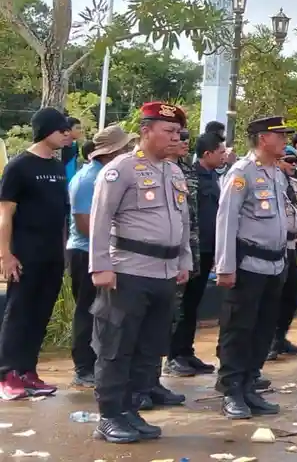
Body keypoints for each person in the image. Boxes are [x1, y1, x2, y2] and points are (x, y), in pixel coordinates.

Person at [88, 102, 192, 444]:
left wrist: (184, 260)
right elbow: (100, 220)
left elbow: (182, 221)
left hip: (164, 272)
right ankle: (110, 415)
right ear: (146, 130)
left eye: (178, 132)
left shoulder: (173, 172)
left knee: (150, 347)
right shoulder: (121, 169)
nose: (175, 138)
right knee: (117, 346)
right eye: (168, 131)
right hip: (128, 271)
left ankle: (131, 409)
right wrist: (100, 266)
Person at [214, 116, 294, 420]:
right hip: (247, 265)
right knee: (239, 329)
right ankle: (232, 390)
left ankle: (249, 385)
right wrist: (225, 265)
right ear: (263, 139)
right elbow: (227, 220)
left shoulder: (276, 173)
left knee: (263, 329)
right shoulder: (241, 172)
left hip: (274, 264)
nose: (285, 139)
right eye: (280, 135)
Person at [0, 107, 74, 400]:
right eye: (62, 130)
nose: (67, 135)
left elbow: (62, 214)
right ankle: (7, 374)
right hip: (24, 253)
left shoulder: (57, 167)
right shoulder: (19, 166)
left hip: (52, 253)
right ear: (46, 131)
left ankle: (27, 371)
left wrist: (64, 250)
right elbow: (5, 213)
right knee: (19, 313)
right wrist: (5, 254)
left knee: (41, 313)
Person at [67, 125, 135, 388]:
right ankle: (83, 367)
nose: (128, 151)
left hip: (103, 251)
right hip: (85, 252)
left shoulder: (109, 174)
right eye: (124, 148)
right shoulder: (88, 179)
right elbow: (85, 224)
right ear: (109, 153)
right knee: (87, 310)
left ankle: (96, 362)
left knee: (104, 312)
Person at [166, 131, 225, 376]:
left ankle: (185, 352)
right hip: (186, 248)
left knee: (192, 305)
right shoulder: (175, 172)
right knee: (177, 305)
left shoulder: (196, 174)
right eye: (179, 139)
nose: (184, 144)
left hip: (206, 248)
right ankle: (172, 356)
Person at [268, 145, 297, 361]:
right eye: (288, 161)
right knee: (276, 295)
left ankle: (281, 335)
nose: (293, 165)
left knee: (292, 295)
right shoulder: (272, 182)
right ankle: (270, 340)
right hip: (277, 245)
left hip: (293, 244)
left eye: (295, 161)